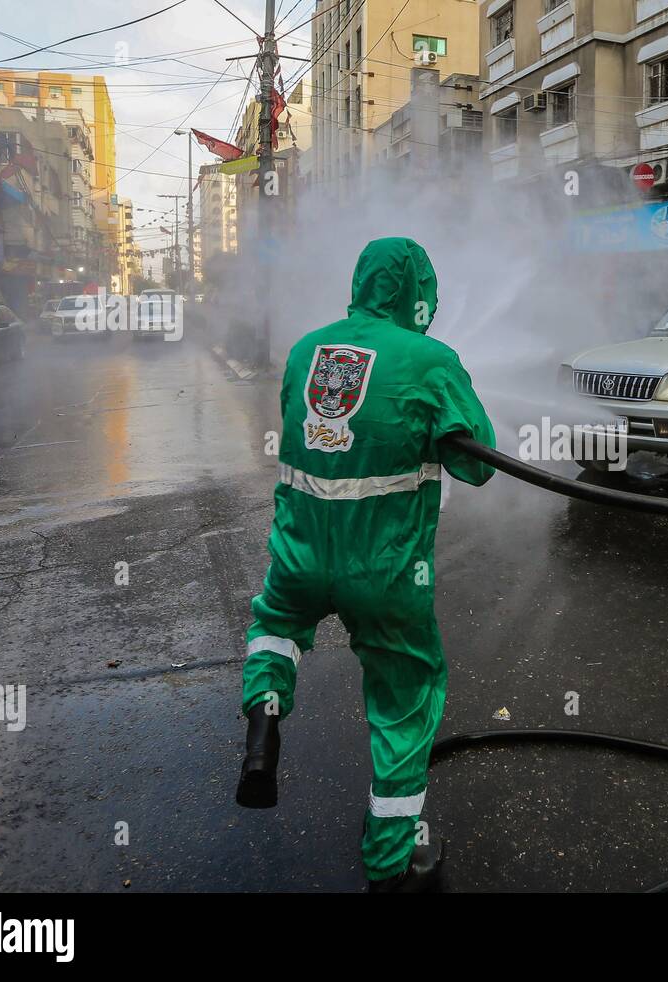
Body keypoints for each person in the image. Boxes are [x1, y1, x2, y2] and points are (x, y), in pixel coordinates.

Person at [235, 237, 496, 893]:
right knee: (405, 699)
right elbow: (478, 464)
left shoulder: (304, 351)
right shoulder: (431, 361)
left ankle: (265, 722)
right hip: (383, 572)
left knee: (276, 626)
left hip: (299, 554)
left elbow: (307, 432)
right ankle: (391, 864)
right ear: (418, 297)